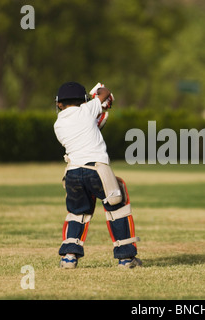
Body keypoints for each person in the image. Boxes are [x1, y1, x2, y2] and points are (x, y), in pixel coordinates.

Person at [54, 81, 142, 268]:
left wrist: (96, 111)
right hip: (97, 168)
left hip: (72, 172)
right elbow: (105, 92)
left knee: (77, 213)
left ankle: (69, 257)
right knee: (117, 207)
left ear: (59, 104)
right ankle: (126, 258)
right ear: (84, 100)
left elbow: (82, 134)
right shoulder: (87, 110)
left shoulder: (58, 124)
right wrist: (100, 97)